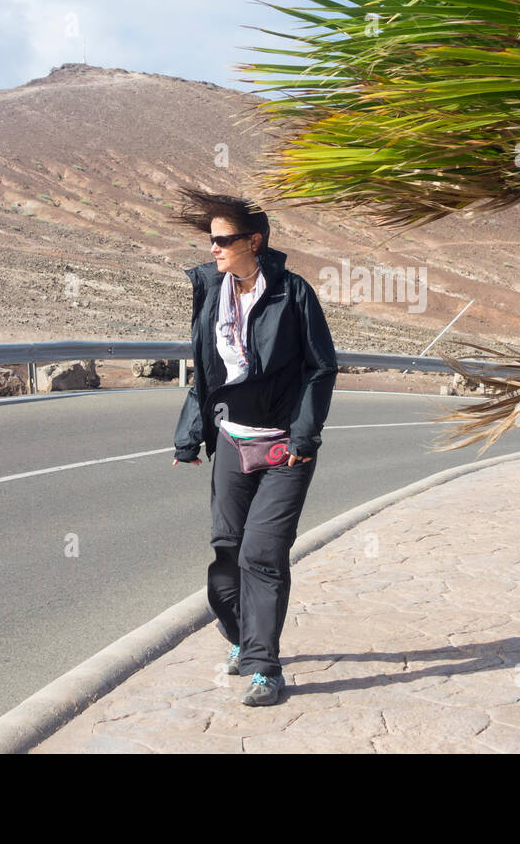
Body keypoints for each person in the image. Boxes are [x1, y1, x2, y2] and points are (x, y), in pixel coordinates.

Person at [170, 186, 338, 707]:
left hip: (285, 447)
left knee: (261, 555)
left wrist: (305, 437)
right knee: (226, 556)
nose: (214, 249)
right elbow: (206, 371)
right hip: (230, 439)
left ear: (255, 241)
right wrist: (189, 435)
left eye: (224, 241)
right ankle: (243, 639)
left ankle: (266, 668)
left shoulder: (292, 292)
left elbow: (320, 367)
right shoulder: (209, 288)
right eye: (211, 240)